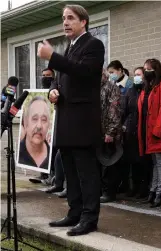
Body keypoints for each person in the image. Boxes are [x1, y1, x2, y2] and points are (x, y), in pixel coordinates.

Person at [38, 4, 104, 236]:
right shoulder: (69, 48)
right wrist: (53, 90)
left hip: (83, 121)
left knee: (86, 172)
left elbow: (84, 72)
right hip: (65, 119)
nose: (65, 22)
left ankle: (89, 217)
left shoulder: (93, 45)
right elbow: (61, 78)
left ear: (83, 21)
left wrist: (52, 57)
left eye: (70, 18)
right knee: (70, 171)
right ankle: (74, 212)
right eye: (63, 18)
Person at [138, 58, 161, 208]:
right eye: (145, 68)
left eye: (149, 69)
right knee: (155, 163)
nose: (146, 71)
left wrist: (157, 131)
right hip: (148, 132)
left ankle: (160, 193)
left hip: (159, 132)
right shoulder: (147, 87)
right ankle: (153, 191)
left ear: (156, 69)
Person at [122, 67, 153, 199]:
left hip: (144, 131)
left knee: (144, 162)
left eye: (139, 74)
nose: (136, 77)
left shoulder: (148, 91)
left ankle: (144, 188)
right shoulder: (130, 91)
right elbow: (125, 110)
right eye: (135, 75)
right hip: (131, 132)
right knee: (133, 162)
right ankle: (134, 187)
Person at [107, 60, 133, 194]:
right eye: (109, 73)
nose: (111, 75)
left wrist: (124, 126)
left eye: (112, 72)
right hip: (114, 127)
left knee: (125, 158)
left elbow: (130, 108)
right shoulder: (112, 85)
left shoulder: (129, 85)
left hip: (125, 127)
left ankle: (126, 185)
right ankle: (119, 184)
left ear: (120, 70)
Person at [99, 68, 122, 203]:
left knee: (109, 164)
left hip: (109, 132)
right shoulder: (95, 88)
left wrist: (111, 131)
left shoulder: (111, 87)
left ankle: (109, 192)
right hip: (98, 132)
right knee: (101, 163)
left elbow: (115, 110)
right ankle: (102, 190)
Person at [19, 96, 50, 170]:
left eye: (44, 119)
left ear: (49, 125)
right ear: (26, 123)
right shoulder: (18, 155)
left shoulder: (53, 156)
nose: (39, 126)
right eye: (35, 119)